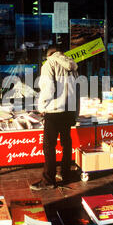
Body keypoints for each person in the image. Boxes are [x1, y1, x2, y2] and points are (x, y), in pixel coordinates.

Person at [30, 46, 79, 191]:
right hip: (69, 110)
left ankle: (48, 180)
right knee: (66, 142)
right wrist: (75, 111)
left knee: (49, 146)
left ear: (48, 55)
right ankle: (65, 173)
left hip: (54, 110)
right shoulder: (72, 65)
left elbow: (48, 89)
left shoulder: (49, 64)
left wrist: (41, 107)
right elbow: (77, 90)